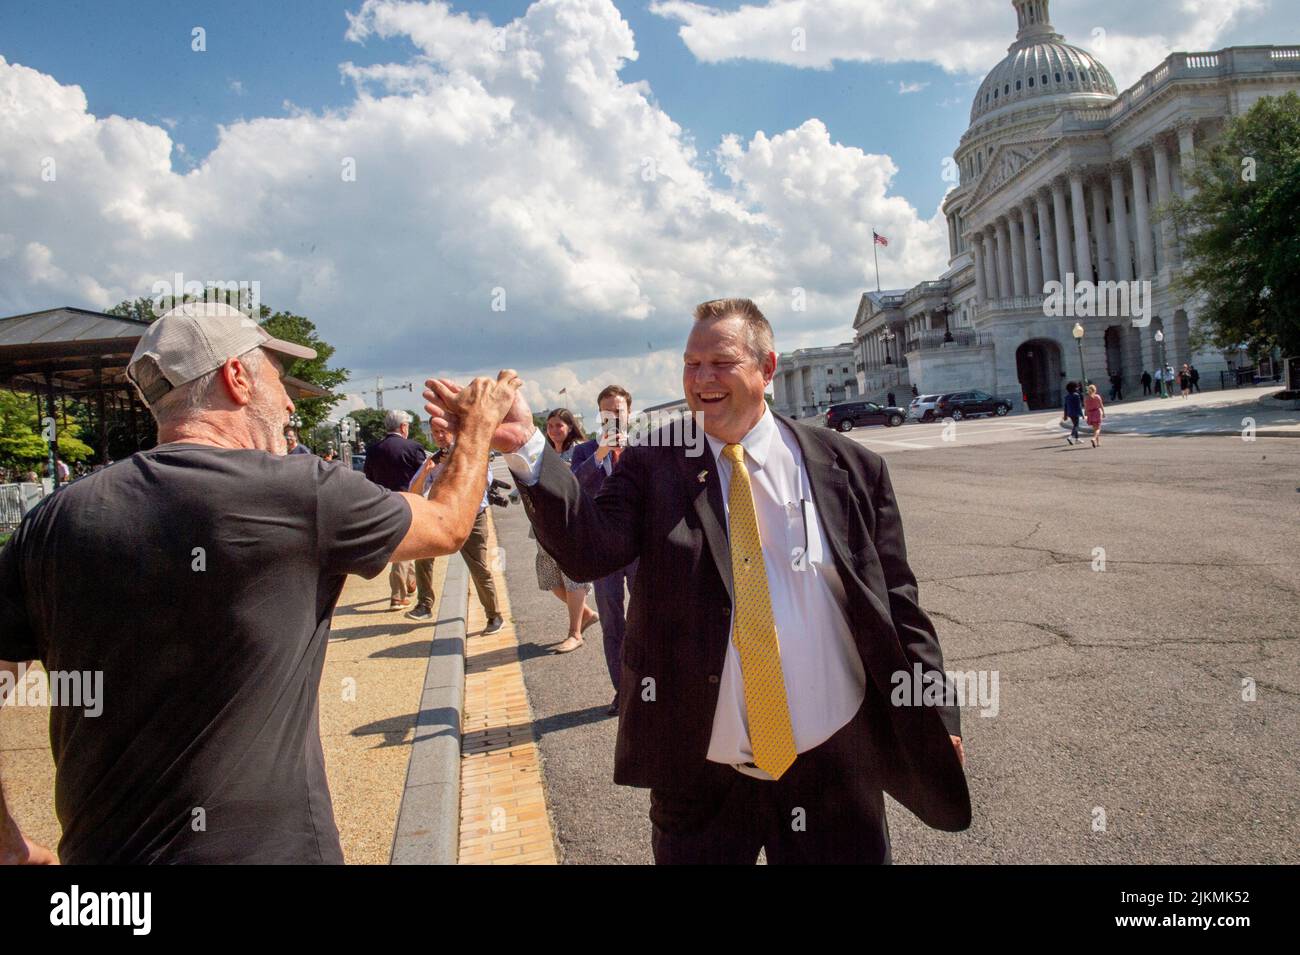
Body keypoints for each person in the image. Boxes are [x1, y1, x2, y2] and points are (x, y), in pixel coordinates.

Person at [427, 297, 970, 864]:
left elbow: (899, 606)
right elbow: (590, 551)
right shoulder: (654, 463)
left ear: (767, 368)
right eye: (691, 364)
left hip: (834, 763)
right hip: (701, 772)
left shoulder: (849, 467)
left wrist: (938, 711)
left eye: (721, 362)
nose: (703, 379)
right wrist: (529, 449)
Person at [0, 301, 515, 864]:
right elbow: (445, 526)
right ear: (236, 377)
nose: (290, 400)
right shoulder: (300, 492)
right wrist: (476, 432)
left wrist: (10, 848)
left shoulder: (54, 519)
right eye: (276, 374)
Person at [570, 385, 640, 716]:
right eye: (607, 412)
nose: (614, 417)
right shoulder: (584, 450)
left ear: (629, 413)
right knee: (613, 623)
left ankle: (650, 688)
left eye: (619, 411)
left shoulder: (643, 448)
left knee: (646, 618)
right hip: (604, 550)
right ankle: (622, 692)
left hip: (640, 548)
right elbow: (572, 489)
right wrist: (599, 455)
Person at [404, 426, 504, 635]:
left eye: (443, 431)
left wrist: (452, 464)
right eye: (435, 432)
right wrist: (427, 470)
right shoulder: (433, 459)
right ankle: (424, 604)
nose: (439, 436)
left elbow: (483, 483)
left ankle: (494, 615)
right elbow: (414, 491)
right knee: (422, 557)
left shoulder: (472, 455)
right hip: (441, 519)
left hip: (470, 518)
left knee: (478, 567)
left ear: (454, 432)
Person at [532, 409, 597, 652]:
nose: (553, 430)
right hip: (544, 522)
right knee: (548, 576)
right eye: (549, 426)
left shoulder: (579, 450)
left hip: (571, 523)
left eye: (559, 425)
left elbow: (582, 479)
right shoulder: (544, 452)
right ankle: (587, 614)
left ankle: (575, 632)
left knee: (573, 576)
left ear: (570, 427)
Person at [364, 409, 428, 609]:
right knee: (405, 544)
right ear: (403, 426)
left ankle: (410, 583)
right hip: (409, 500)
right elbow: (424, 475)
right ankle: (398, 595)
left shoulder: (373, 449)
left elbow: (369, 477)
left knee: (401, 542)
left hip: (384, 500)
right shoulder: (413, 447)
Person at [1084, 382, 1105, 447]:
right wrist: (1103, 412)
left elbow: (1086, 407)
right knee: (1098, 429)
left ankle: (1097, 443)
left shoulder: (1086, 398)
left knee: (1094, 429)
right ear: (1095, 390)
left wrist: (1086, 414)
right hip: (1096, 413)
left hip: (1090, 413)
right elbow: (1101, 405)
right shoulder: (1097, 396)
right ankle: (1094, 438)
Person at [1062, 381, 1083, 446]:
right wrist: (1082, 414)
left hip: (1070, 413)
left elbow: (1065, 406)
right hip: (1076, 412)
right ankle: (1071, 437)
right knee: (1076, 426)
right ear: (1074, 388)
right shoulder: (1076, 395)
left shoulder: (1067, 396)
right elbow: (1079, 405)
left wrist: (1065, 415)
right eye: (1076, 387)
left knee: (1075, 425)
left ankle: (1077, 439)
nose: (1077, 388)